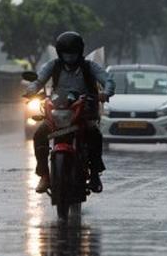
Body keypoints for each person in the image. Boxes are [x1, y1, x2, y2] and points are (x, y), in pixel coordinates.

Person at [25, 31, 115, 194]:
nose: (70, 57)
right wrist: (30, 90)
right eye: (66, 53)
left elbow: (107, 80)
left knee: (94, 135)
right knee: (39, 134)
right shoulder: (53, 66)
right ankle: (44, 175)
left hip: (84, 112)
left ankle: (95, 175)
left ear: (79, 52)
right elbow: (39, 81)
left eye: (73, 53)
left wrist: (106, 93)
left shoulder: (89, 66)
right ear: (60, 53)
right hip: (58, 112)